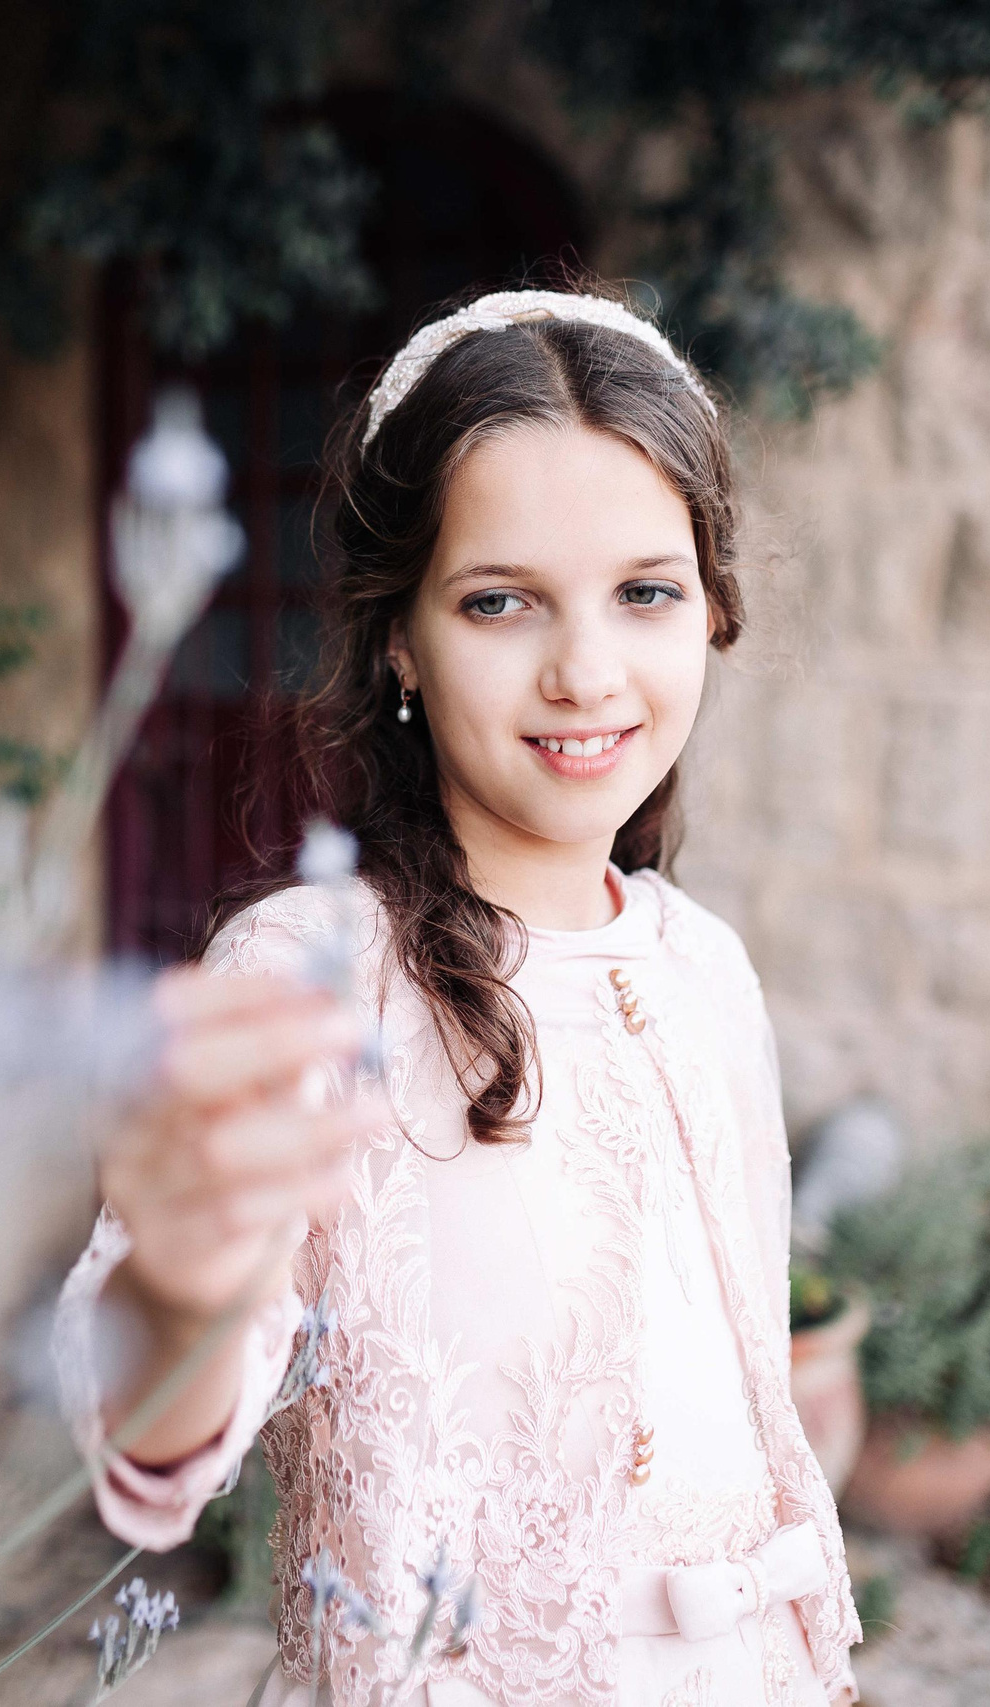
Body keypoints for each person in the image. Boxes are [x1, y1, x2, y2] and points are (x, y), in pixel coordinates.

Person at [51, 286, 863, 1707]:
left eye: (645, 592)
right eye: (501, 602)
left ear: (713, 612)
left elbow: (753, 1420)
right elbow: (155, 1428)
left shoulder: (707, 971)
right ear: (402, 642)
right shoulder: (314, 978)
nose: (586, 672)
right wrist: (180, 1279)